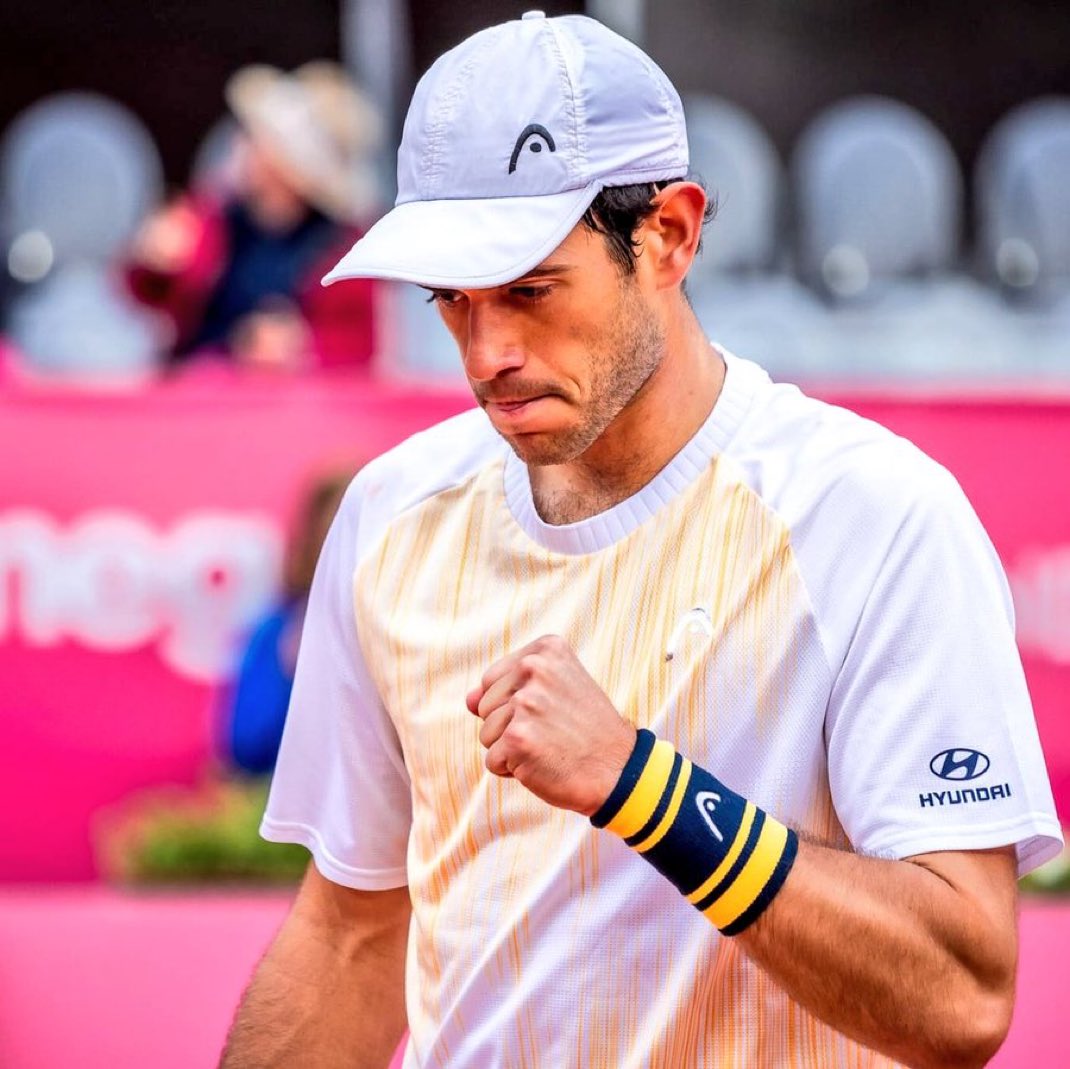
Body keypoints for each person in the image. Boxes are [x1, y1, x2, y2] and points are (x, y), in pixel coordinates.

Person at [222, 13, 1062, 1069]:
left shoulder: (875, 516)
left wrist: (641, 788)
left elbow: (960, 993)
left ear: (668, 233)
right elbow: (349, 941)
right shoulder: (390, 514)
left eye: (529, 290)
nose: (487, 353)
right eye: (452, 300)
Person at [125, 62, 381, 372]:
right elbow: (149, 296)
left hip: (292, 409)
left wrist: (300, 345)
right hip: (199, 390)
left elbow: (360, 346)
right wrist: (156, 264)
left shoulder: (341, 248)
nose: (242, 146)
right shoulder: (214, 218)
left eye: (256, 140)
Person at [223, 471, 353, 775]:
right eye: (336, 527)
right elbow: (244, 746)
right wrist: (290, 674)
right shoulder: (276, 632)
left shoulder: (412, 625)